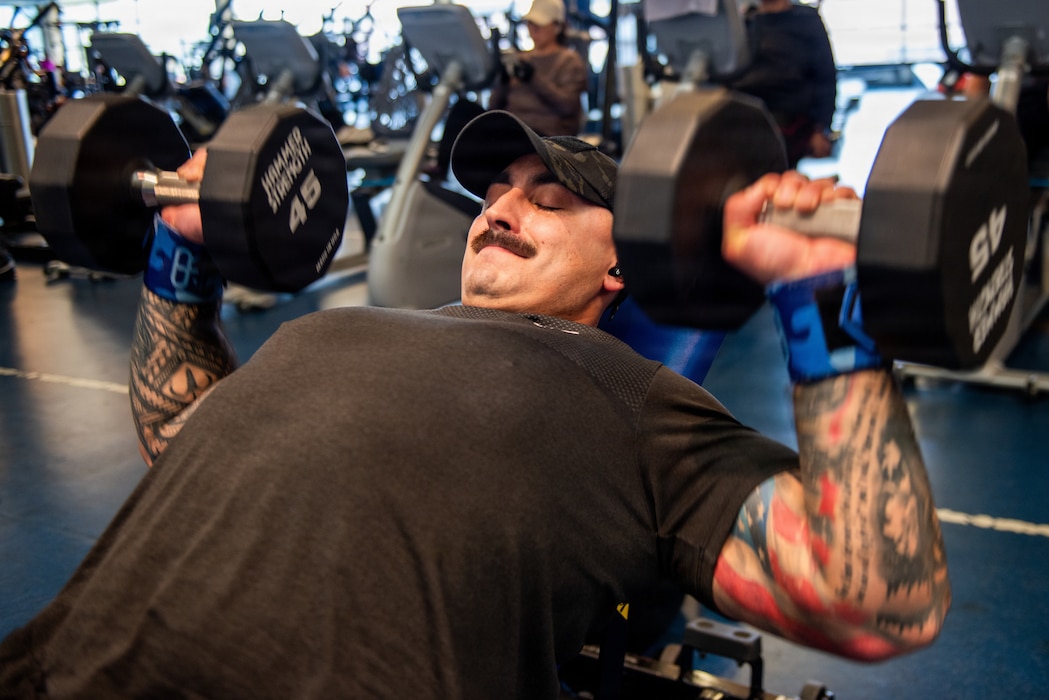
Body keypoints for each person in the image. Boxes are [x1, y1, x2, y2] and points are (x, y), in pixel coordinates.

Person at [0, 110, 950, 698]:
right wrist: (178, 248)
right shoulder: (340, 330)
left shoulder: (635, 400)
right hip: (58, 672)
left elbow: (871, 600)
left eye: (547, 199)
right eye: (494, 193)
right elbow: (182, 432)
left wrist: (819, 297)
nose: (498, 209)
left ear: (624, 262)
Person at [730, 0, 838, 168]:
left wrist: (820, 129)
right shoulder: (743, 23)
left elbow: (826, 78)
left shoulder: (805, 19)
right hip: (742, 120)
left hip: (789, 121)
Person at [489, 0, 588, 136]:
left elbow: (567, 107)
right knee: (462, 114)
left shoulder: (569, 61)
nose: (534, 29)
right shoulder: (520, 59)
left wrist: (533, 79)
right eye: (530, 23)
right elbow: (492, 108)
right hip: (511, 130)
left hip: (544, 136)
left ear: (557, 26)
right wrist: (503, 81)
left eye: (540, 24)